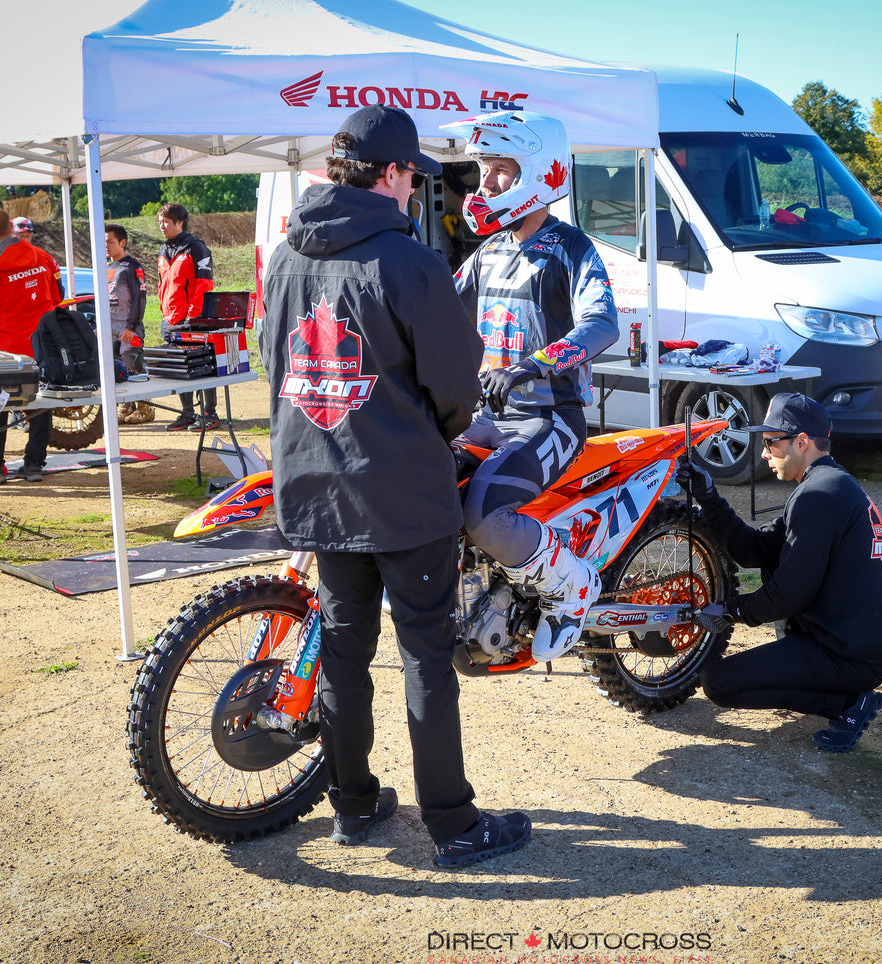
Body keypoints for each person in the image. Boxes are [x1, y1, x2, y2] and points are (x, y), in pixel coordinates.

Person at [259, 103, 530, 868]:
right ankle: (453, 823)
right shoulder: (410, 262)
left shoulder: (284, 256)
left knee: (345, 650)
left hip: (315, 481)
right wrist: (436, 429)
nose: (418, 188)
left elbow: (274, 367)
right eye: (414, 172)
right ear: (391, 173)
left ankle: (352, 806)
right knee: (422, 655)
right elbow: (453, 389)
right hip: (401, 491)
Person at [439, 109, 618, 662]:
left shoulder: (571, 248)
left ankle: (572, 585)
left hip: (551, 417)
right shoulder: (489, 252)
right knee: (424, 477)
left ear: (538, 173)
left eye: (499, 170)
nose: (484, 182)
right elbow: (435, 310)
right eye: (483, 168)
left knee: (486, 512)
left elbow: (602, 322)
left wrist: (532, 365)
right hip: (488, 417)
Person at [677, 393, 882, 753]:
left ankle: (847, 704)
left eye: (771, 443)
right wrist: (709, 496)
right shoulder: (828, 485)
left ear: (802, 442)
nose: (764, 454)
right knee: (776, 557)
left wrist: (730, 611)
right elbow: (753, 549)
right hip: (860, 641)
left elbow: (790, 594)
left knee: (719, 683)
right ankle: (827, 683)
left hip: (851, 655)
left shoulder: (818, 496)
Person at [0, 207, 63, 484]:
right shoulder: (43, 257)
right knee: (40, 404)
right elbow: (58, 295)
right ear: (10, 227)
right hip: (43, 345)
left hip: (8, 351)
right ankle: (34, 466)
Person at [156, 203, 219, 431]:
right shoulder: (164, 250)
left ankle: (209, 414)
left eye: (166, 221)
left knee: (202, 366)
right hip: (170, 320)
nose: (162, 226)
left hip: (193, 320)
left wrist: (193, 315)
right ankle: (187, 413)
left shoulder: (195, 247)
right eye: (160, 221)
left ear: (179, 222)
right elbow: (164, 284)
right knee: (179, 369)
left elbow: (204, 284)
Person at [105, 223, 153, 424]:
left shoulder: (132, 266)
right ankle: (126, 405)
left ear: (122, 243)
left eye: (110, 241)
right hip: (110, 328)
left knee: (132, 363)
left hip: (128, 327)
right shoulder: (105, 266)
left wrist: (131, 327)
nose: (106, 246)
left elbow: (140, 299)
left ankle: (146, 407)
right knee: (115, 368)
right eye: (103, 242)